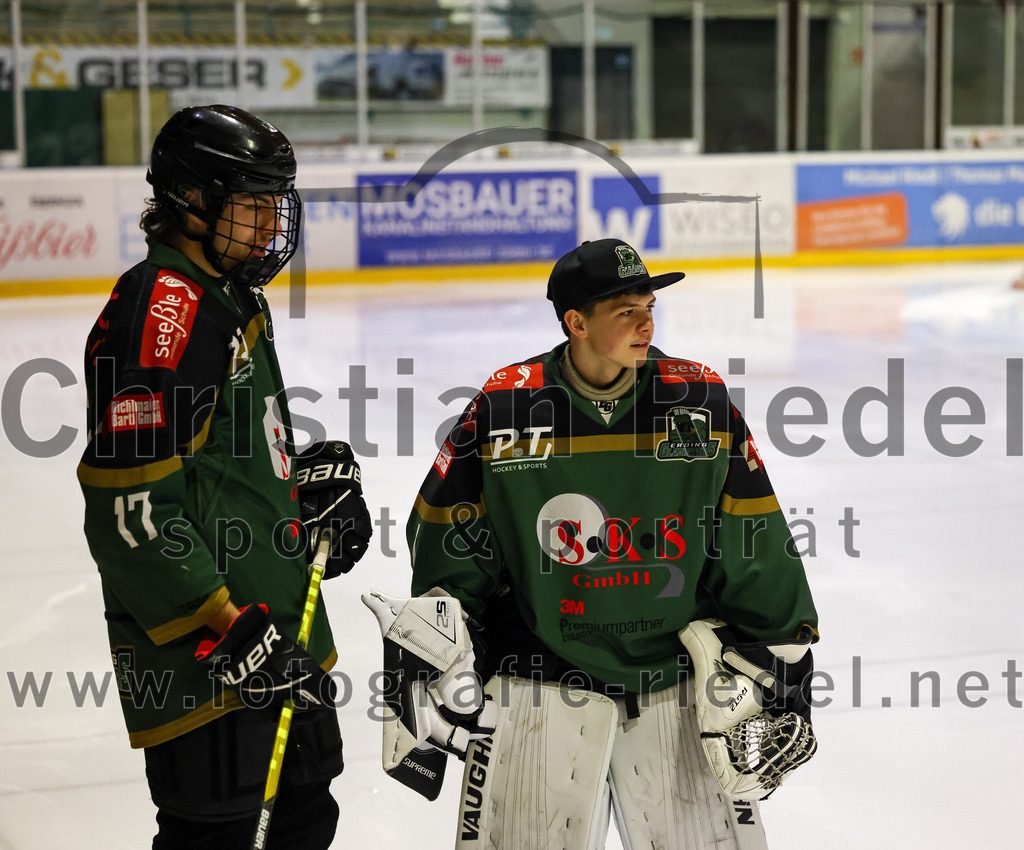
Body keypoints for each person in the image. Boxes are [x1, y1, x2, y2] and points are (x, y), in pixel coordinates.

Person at [398, 238, 819, 848]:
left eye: (649, 306)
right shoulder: (506, 405)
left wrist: (785, 655)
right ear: (576, 322)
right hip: (541, 679)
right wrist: (450, 629)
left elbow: (749, 527)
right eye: (625, 310)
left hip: (680, 682)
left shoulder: (698, 400)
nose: (646, 322)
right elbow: (450, 528)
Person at [77, 104, 372, 849]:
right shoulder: (164, 311)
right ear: (192, 200)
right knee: (216, 837)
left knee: (305, 819)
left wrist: (302, 491)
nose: (273, 224)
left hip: (279, 632)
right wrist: (229, 625)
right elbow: (128, 508)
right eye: (253, 203)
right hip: (213, 656)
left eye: (278, 202)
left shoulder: (229, 294)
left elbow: (218, 466)